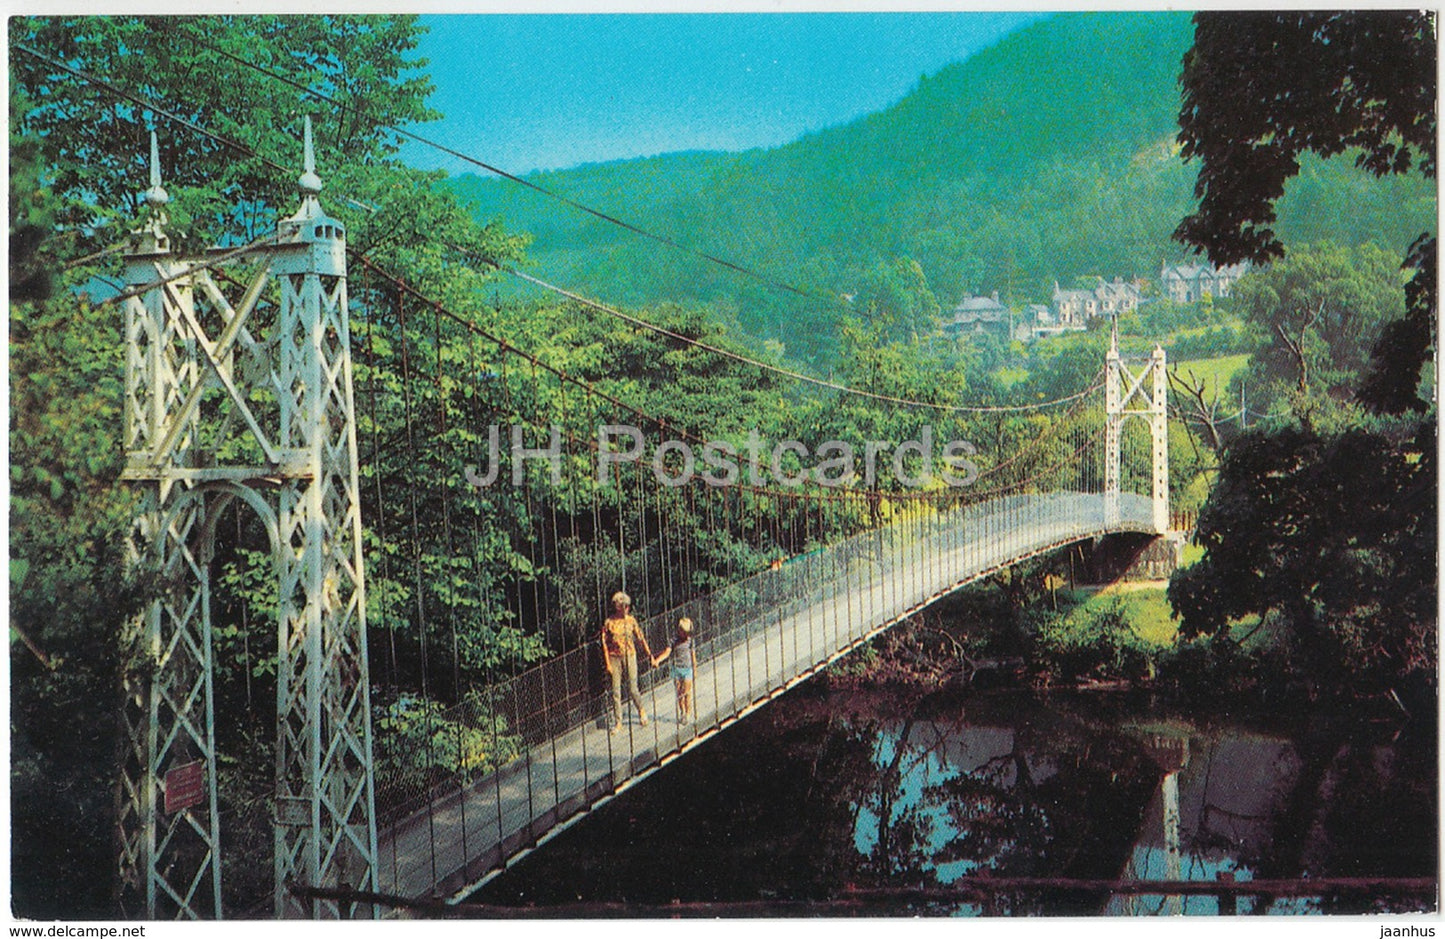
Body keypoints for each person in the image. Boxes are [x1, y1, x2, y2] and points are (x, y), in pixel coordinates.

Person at [600, 591, 652, 734]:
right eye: (624, 606)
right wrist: (608, 664)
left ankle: (641, 710)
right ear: (618, 607)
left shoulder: (631, 621)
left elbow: (640, 638)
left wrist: (650, 656)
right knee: (616, 692)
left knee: (633, 688)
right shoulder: (609, 623)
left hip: (630, 655)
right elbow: (604, 643)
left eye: (628, 606)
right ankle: (618, 722)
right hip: (614, 658)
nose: (627, 608)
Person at [652, 618, 697, 723]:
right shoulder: (673, 640)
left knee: (686, 693)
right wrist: (657, 660)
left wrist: (695, 669)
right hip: (677, 669)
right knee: (679, 694)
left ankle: (688, 713)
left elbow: (693, 655)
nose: (686, 635)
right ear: (679, 630)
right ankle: (682, 712)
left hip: (687, 669)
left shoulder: (690, 641)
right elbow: (667, 652)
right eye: (684, 632)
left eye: (687, 632)